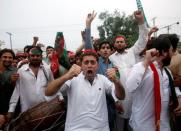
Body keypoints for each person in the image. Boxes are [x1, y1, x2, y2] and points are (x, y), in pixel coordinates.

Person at [45, 50, 125, 131]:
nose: (89, 65)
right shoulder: (73, 79)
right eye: (86, 62)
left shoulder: (102, 79)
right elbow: (48, 92)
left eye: (92, 62)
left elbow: (121, 96)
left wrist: (116, 81)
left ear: (97, 66)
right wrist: (67, 75)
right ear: (81, 66)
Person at [126, 36, 181, 131]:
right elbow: (130, 87)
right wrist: (145, 62)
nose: (172, 54)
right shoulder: (141, 67)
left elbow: (170, 88)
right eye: (171, 50)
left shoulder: (167, 72)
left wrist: (179, 97)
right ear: (164, 52)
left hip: (164, 124)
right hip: (144, 126)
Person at [109, 10, 149, 131]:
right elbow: (111, 81)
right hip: (121, 98)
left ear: (125, 43)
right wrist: (116, 100)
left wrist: (141, 22)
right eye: (117, 42)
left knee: (134, 126)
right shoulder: (110, 58)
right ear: (114, 44)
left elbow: (143, 40)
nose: (120, 43)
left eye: (122, 42)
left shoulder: (133, 52)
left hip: (136, 97)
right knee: (120, 127)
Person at [8, 46, 54, 119]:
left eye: (37, 55)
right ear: (28, 57)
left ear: (41, 57)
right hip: (27, 112)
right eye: (32, 56)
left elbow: (53, 86)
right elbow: (17, 91)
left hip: (45, 110)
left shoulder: (47, 70)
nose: (35, 57)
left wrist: (60, 99)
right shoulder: (21, 71)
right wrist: (11, 109)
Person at [0, 49, 19, 128]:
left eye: (10, 57)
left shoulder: (16, 71)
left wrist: (12, 82)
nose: (7, 59)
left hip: (8, 108)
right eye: (5, 57)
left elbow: (16, 91)